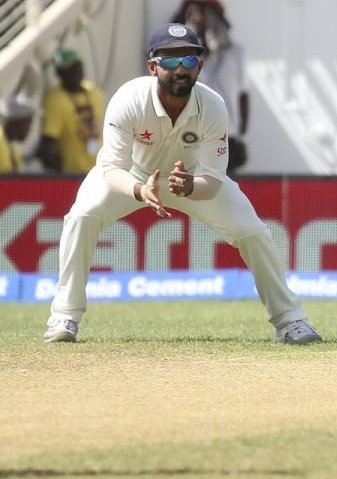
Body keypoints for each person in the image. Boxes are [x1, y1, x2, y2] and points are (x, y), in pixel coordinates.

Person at [42, 23, 321, 345]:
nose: (180, 69)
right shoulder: (128, 100)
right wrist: (139, 189)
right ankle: (64, 317)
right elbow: (111, 168)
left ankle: (290, 322)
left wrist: (191, 186)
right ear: (152, 67)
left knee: (253, 232)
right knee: (81, 217)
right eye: (170, 61)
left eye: (188, 61)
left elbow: (213, 180)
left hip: (190, 178)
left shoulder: (213, 105)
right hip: (130, 176)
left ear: (199, 66)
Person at [177, 0, 249, 175]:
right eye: (193, 14)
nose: (198, 19)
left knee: (224, 192)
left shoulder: (236, 54)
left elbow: (243, 95)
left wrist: (242, 137)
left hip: (227, 136)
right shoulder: (184, 57)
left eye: (203, 14)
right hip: (192, 137)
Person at [37, 49, 104, 174]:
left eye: (77, 67)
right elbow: (48, 145)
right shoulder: (55, 100)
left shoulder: (94, 93)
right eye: (69, 69)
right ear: (59, 73)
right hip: (73, 174)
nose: (75, 72)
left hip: (98, 170)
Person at [0, 94, 36, 173]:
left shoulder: (12, 148)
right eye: (28, 123)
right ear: (18, 123)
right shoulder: (1, 146)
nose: (29, 128)